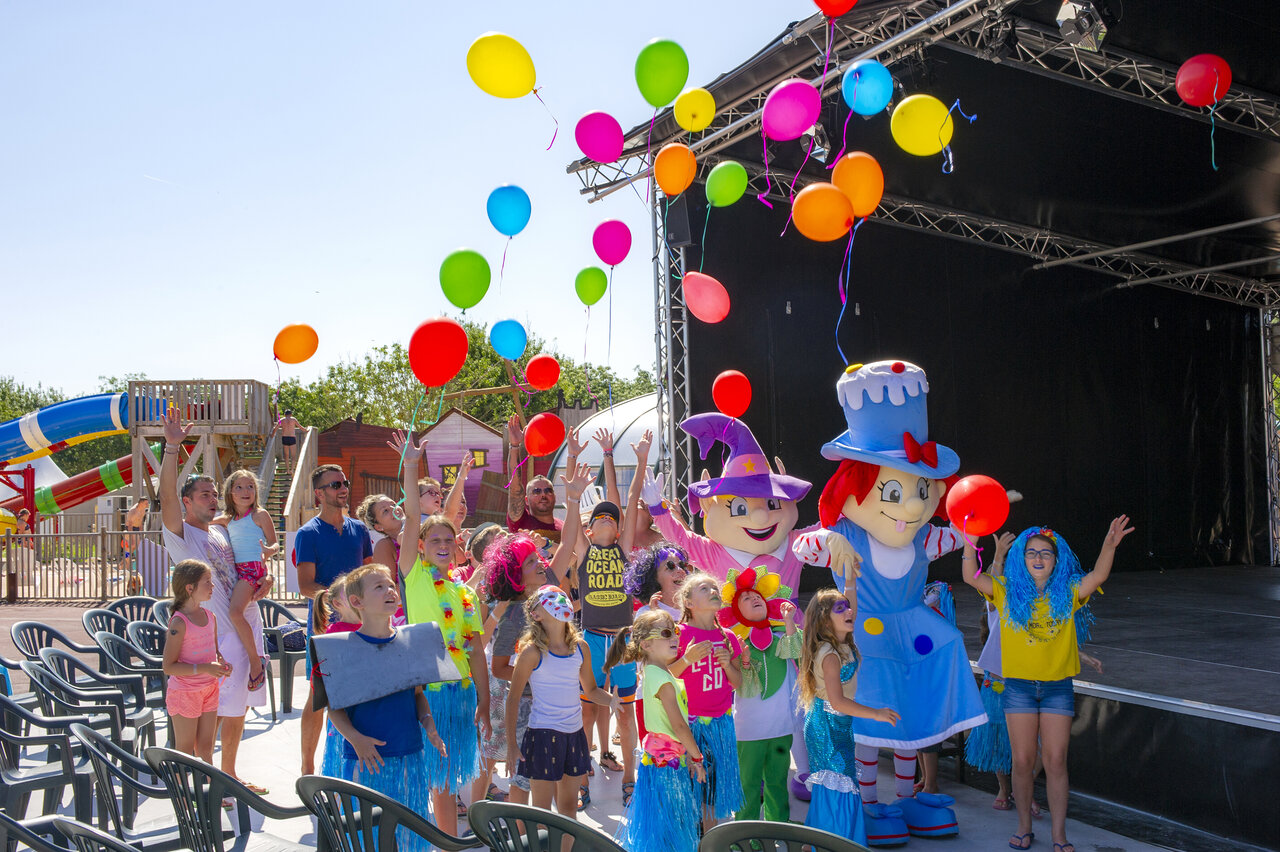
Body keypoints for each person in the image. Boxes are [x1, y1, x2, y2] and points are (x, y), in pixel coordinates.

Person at [961, 516, 1134, 852]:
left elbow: (1098, 575)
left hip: (1057, 690)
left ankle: (1059, 835)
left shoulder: (1069, 592)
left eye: (1046, 553)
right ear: (1021, 559)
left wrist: (1108, 546)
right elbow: (970, 576)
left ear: (1057, 561)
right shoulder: (1006, 590)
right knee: (1023, 761)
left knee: (1055, 761)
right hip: (1019, 689)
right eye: (1031, 553)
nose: (1038, 558)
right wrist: (970, 540)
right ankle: (1024, 827)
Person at [159, 408, 272, 790]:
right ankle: (204, 781)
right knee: (216, 712)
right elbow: (166, 497)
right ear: (188, 502)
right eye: (203, 494)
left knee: (238, 708)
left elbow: (245, 571)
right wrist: (172, 449)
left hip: (245, 630)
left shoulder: (221, 532)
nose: (211, 498)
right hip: (215, 640)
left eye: (213, 492)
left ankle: (230, 774)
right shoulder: (181, 534)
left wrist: (264, 581)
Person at [396, 431, 490, 838]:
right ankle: (445, 842)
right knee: (436, 777)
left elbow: (476, 652)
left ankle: (448, 838)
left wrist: (484, 702)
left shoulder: (464, 592)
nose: (442, 544)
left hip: (461, 691)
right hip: (427, 693)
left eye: (449, 540)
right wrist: (412, 465)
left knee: (452, 776)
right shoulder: (414, 576)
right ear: (418, 547)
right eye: (434, 539)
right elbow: (415, 517)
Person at [317, 564, 446, 852]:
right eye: (379, 586)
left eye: (390, 584)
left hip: (409, 758)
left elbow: (417, 696)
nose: (390, 590)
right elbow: (334, 709)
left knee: (406, 836)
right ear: (356, 602)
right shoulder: (342, 648)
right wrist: (356, 739)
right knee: (367, 841)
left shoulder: (411, 642)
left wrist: (429, 724)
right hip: (366, 760)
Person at [553, 461, 639, 808]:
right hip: (590, 639)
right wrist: (572, 497)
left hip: (623, 641)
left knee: (625, 713)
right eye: (598, 518)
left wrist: (636, 458)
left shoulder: (624, 551)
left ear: (618, 531)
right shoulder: (585, 552)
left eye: (611, 519)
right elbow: (569, 529)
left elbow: (630, 506)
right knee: (587, 712)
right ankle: (581, 775)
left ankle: (630, 778)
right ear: (587, 531)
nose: (606, 519)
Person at [799, 587, 901, 845]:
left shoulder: (842, 644)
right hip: (827, 726)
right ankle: (832, 843)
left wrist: (851, 579)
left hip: (838, 724)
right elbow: (838, 701)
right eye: (840, 609)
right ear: (824, 619)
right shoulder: (830, 655)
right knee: (840, 785)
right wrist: (875, 713)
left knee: (843, 784)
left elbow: (848, 600)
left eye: (849, 607)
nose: (850, 611)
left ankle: (827, 842)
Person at [507, 585, 620, 819]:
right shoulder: (531, 652)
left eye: (561, 596)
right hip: (542, 735)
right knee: (542, 811)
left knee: (568, 809)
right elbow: (513, 698)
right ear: (536, 614)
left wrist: (611, 701)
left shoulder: (581, 647)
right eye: (549, 598)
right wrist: (511, 745)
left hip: (575, 734)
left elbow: (590, 689)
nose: (559, 600)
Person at [296, 463, 373, 775]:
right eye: (335, 484)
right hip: (325, 624)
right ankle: (306, 768)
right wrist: (338, 600)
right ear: (319, 493)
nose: (343, 488)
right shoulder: (307, 534)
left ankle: (346, 765)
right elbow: (305, 585)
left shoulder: (360, 530)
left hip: (361, 625)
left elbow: (368, 573)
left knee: (358, 694)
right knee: (319, 697)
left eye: (344, 483)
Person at [613, 609, 705, 852]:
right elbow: (679, 726)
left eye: (674, 630)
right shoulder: (662, 679)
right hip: (670, 762)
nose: (675, 637)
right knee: (673, 820)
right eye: (666, 633)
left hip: (658, 758)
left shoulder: (654, 671)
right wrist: (697, 757)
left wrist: (686, 660)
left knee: (662, 819)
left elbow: (669, 678)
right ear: (646, 644)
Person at [668, 571, 743, 830]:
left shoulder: (728, 637)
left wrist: (727, 665)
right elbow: (663, 678)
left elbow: (737, 682)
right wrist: (687, 659)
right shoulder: (678, 634)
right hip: (689, 727)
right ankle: (689, 838)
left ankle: (709, 840)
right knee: (689, 789)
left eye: (715, 587)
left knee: (710, 790)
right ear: (688, 603)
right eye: (704, 588)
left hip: (720, 726)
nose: (713, 590)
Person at [485, 532, 549, 807]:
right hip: (526, 706)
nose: (540, 563)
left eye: (538, 557)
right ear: (515, 576)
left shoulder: (545, 600)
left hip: (550, 702)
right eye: (530, 561)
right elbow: (498, 667)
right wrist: (538, 675)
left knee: (546, 774)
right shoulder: (514, 614)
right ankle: (522, 833)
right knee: (523, 777)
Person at [212, 470, 279, 695]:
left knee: (234, 613)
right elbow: (203, 522)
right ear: (230, 492)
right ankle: (254, 655)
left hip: (253, 569)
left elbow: (275, 542)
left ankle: (256, 660)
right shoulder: (227, 519)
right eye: (239, 487)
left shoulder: (259, 515)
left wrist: (270, 551)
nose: (245, 491)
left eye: (250, 486)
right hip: (237, 571)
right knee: (238, 614)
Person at [161, 558, 231, 763]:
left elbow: (215, 652)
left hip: (209, 689)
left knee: (206, 749)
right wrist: (205, 668)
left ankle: (210, 794)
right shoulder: (179, 622)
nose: (213, 586)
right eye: (207, 581)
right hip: (185, 693)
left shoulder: (211, 617)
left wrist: (221, 664)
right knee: (184, 751)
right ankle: (181, 795)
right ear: (190, 588)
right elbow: (168, 666)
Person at [314, 575, 361, 778]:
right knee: (345, 769)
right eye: (351, 593)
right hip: (345, 715)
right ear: (338, 604)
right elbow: (323, 684)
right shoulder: (334, 636)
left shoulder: (373, 629)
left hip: (365, 712)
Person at [504, 414, 565, 543]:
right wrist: (514, 446)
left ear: (554, 496)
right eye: (536, 491)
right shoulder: (521, 521)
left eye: (548, 490)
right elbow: (515, 489)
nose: (543, 494)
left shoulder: (564, 527)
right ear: (526, 500)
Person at [121, 498, 149, 594]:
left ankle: (125, 562)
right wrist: (132, 537)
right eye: (146, 503)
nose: (147, 505)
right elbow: (129, 525)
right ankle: (125, 562)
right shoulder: (133, 511)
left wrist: (141, 534)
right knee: (131, 546)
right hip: (130, 529)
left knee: (136, 547)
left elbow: (141, 523)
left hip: (136, 529)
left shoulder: (143, 510)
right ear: (140, 503)